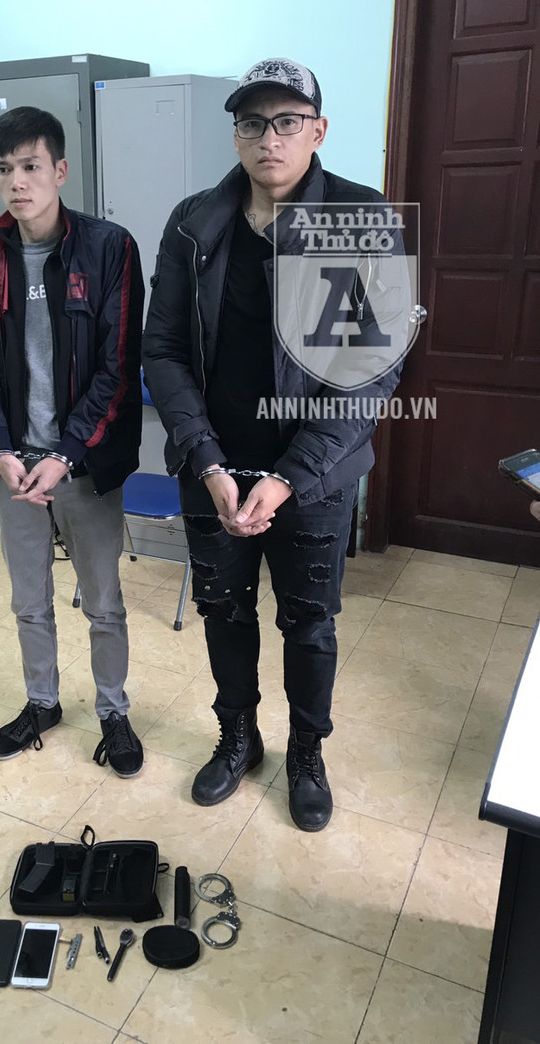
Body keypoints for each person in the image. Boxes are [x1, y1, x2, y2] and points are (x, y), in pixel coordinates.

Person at [142, 58, 407, 830]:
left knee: (309, 623)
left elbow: (371, 369)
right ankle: (238, 738)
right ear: (236, 135)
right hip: (215, 468)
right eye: (253, 123)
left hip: (314, 477)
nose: (270, 138)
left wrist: (289, 476)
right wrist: (206, 461)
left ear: (317, 131)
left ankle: (306, 754)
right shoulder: (194, 222)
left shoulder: (362, 217)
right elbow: (164, 348)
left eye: (288, 121)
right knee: (224, 612)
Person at [0, 106, 145, 777]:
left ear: (60, 171)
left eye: (31, 166)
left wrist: (66, 454)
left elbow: (117, 367)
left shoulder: (108, 247)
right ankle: (42, 702)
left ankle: (114, 711)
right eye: (4, 169)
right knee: (28, 600)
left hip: (84, 464)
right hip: (17, 466)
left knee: (103, 601)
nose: (17, 182)